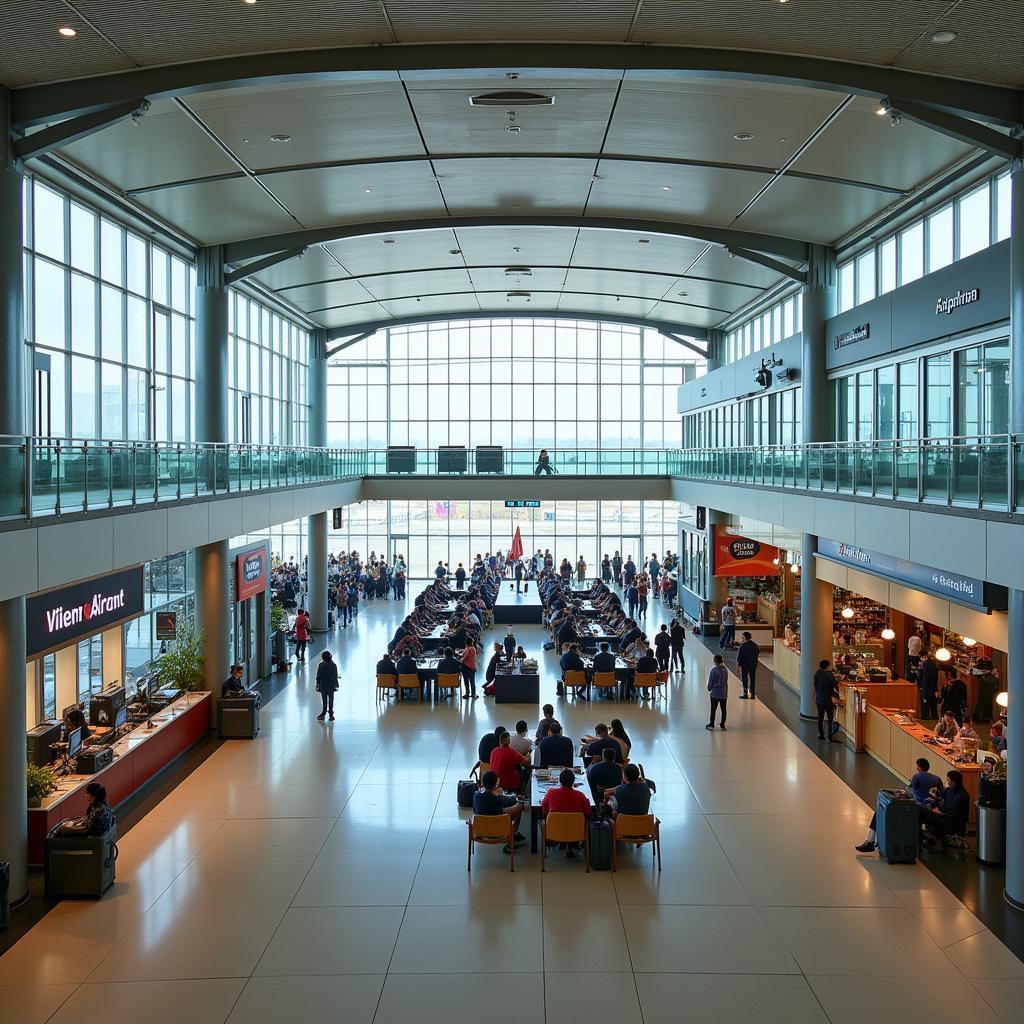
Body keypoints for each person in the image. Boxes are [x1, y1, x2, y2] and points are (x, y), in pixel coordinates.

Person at [855, 757, 944, 852]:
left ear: (918, 767)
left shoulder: (917, 777)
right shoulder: (937, 779)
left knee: (881, 812)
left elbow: (908, 791)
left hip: (918, 808)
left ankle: (871, 841)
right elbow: (941, 795)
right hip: (932, 811)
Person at [540, 768, 592, 859]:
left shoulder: (551, 793)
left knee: (542, 820)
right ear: (573, 781)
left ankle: (552, 842)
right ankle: (571, 846)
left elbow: (543, 809)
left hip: (554, 832)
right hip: (576, 833)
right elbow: (589, 813)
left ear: (559, 781)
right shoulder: (581, 796)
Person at [472, 771, 526, 851]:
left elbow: (477, 807)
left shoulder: (476, 795)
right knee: (519, 806)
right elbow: (512, 800)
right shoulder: (499, 799)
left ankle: (513, 837)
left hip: (480, 830)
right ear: (496, 783)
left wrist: (496, 792)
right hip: (499, 831)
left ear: (483, 782)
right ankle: (511, 840)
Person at [921, 770, 970, 846]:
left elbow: (954, 817)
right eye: (947, 780)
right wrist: (937, 808)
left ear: (956, 781)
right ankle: (930, 838)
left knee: (925, 815)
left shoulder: (962, 796)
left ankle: (933, 840)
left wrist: (940, 813)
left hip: (953, 824)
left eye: (950, 781)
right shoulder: (949, 791)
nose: (948, 782)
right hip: (945, 817)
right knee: (922, 809)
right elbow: (942, 802)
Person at [813, 659, 841, 741]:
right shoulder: (830, 675)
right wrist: (837, 696)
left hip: (819, 699)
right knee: (830, 717)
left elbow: (815, 685)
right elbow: (835, 687)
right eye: (830, 665)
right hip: (828, 699)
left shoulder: (817, 673)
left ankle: (821, 735)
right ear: (827, 666)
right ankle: (830, 735)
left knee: (820, 717)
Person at [315, 650, 339, 721]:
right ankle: (331, 714)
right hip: (331, 685)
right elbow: (335, 675)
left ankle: (323, 713)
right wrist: (336, 683)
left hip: (323, 685)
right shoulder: (334, 665)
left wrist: (317, 684)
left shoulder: (321, 665)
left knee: (324, 700)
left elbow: (318, 676)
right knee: (331, 700)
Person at [706, 653, 728, 730]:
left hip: (715, 693)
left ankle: (712, 723)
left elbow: (711, 681)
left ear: (715, 661)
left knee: (713, 708)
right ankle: (722, 725)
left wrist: (709, 688)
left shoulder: (714, 670)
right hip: (723, 693)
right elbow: (725, 681)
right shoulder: (725, 670)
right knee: (723, 709)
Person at [736, 631, 760, 700]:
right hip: (753, 664)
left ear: (745, 637)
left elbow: (740, 656)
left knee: (745, 679)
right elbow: (757, 653)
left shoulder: (743, 645)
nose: (741, 637)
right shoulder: (755, 645)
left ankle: (745, 693)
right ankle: (752, 694)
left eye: (742, 636)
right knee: (752, 679)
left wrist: (738, 665)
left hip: (744, 665)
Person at [918, 652, 939, 719]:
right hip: (933, 687)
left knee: (924, 703)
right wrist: (935, 688)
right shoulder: (934, 664)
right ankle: (934, 716)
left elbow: (923, 677)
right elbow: (936, 677)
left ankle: (925, 716)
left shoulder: (924, 664)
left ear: (925, 657)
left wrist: (921, 686)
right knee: (933, 704)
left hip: (925, 687)